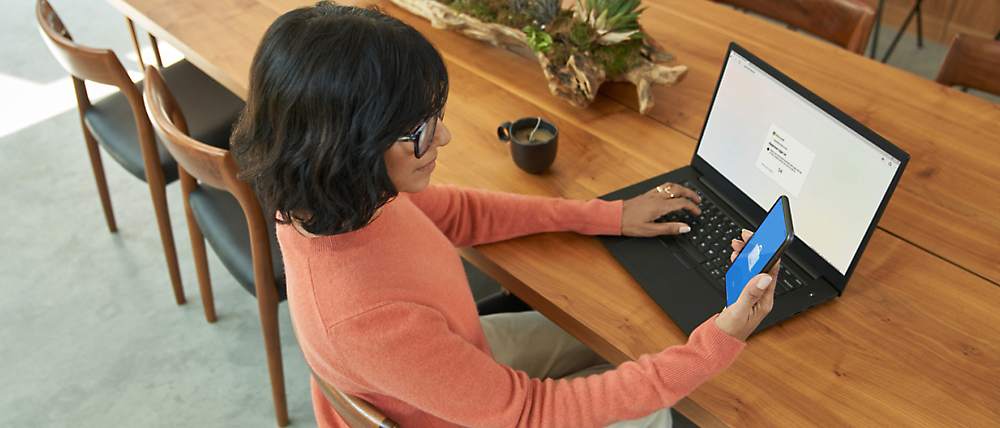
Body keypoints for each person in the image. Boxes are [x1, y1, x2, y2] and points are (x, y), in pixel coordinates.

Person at [230, 2, 779, 427]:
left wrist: (607, 215)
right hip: (465, 411)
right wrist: (718, 343)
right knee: (654, 407)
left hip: (454, 366)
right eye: (418, 130)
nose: (442, 136)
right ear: (347, 147)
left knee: (621, 337)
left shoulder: (331, 195)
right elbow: (530, 412)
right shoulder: (365, 319)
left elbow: (463, 212)